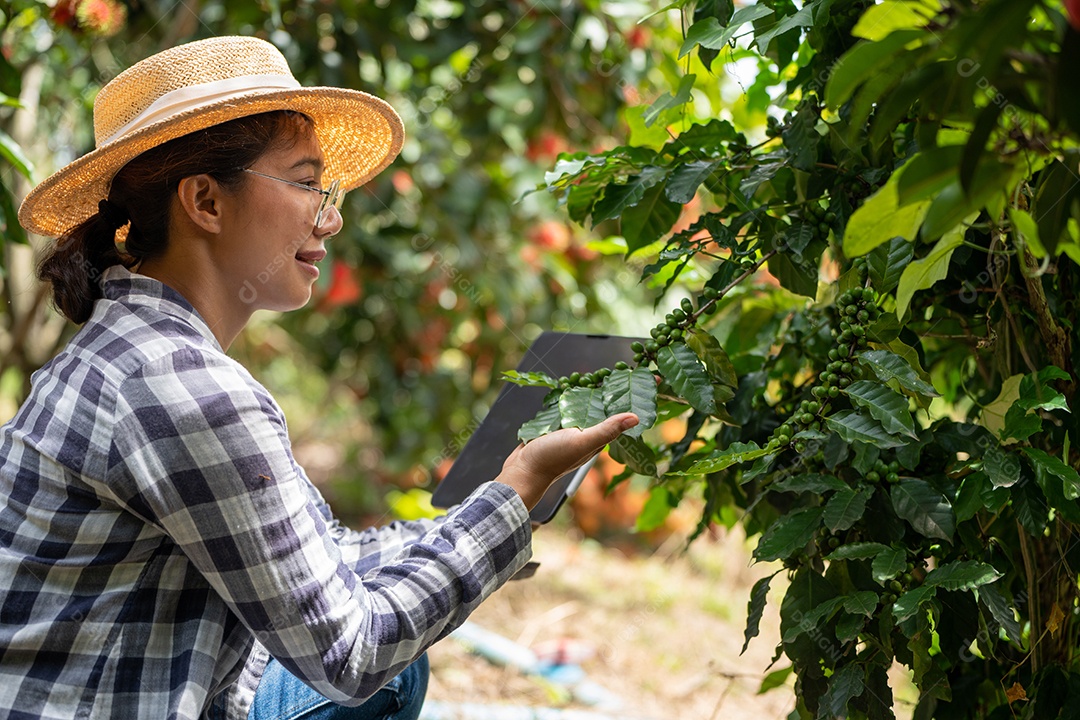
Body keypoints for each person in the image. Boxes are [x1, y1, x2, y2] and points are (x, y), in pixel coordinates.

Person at [0, 36, 637, 720]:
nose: (331, 218)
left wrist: (489, 511)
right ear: (206, 202)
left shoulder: (134, 347)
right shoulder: (184, 387)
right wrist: (516, 491)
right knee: (391, 676)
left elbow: (317, 555)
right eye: (307, 184)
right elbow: (351, 653)